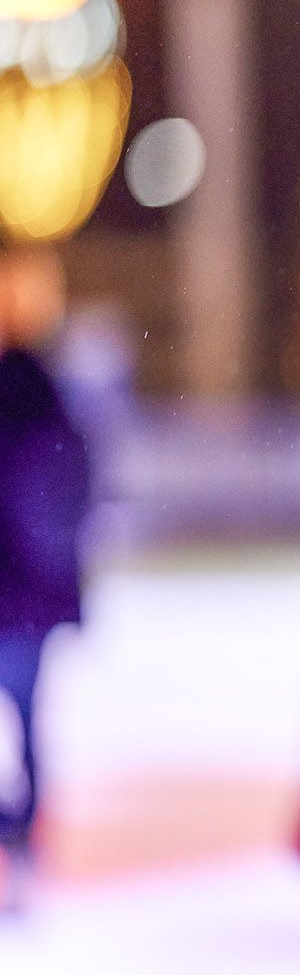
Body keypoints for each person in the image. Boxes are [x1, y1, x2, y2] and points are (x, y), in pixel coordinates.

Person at [0, 251, 91, 905]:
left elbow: (54, 494)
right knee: (27, 723)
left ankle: (22, 841)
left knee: (26, 721)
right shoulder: (47, 391)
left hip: (18, 596)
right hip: (25, 598)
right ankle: (22, 838)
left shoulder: (30, 388)